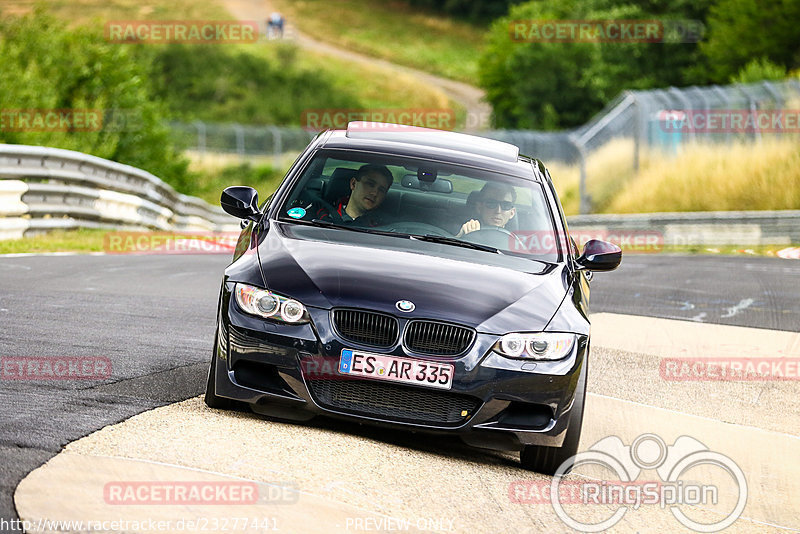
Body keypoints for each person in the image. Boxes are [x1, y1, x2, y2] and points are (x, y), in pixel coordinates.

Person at [317, 164, 393, 226]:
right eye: (370, 184)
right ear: (353, 184)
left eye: (381, 190)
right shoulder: (322, 216)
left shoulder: (387, 226)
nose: (375, 193)